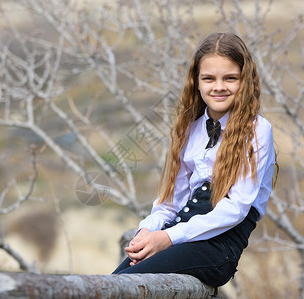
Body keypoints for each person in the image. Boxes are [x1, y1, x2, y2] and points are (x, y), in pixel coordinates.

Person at [112, 32, 277, 287]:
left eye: (230, 78)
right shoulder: (189, 130)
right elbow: (170, 204)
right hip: (179, 237)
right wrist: (147, 231)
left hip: (217, 248)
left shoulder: (257, 130)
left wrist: (168, 238)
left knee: (129, 284)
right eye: (209, 78)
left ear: (244, 81)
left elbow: (235, 209)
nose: (219, 86)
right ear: (196, 82)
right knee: (111, 283)